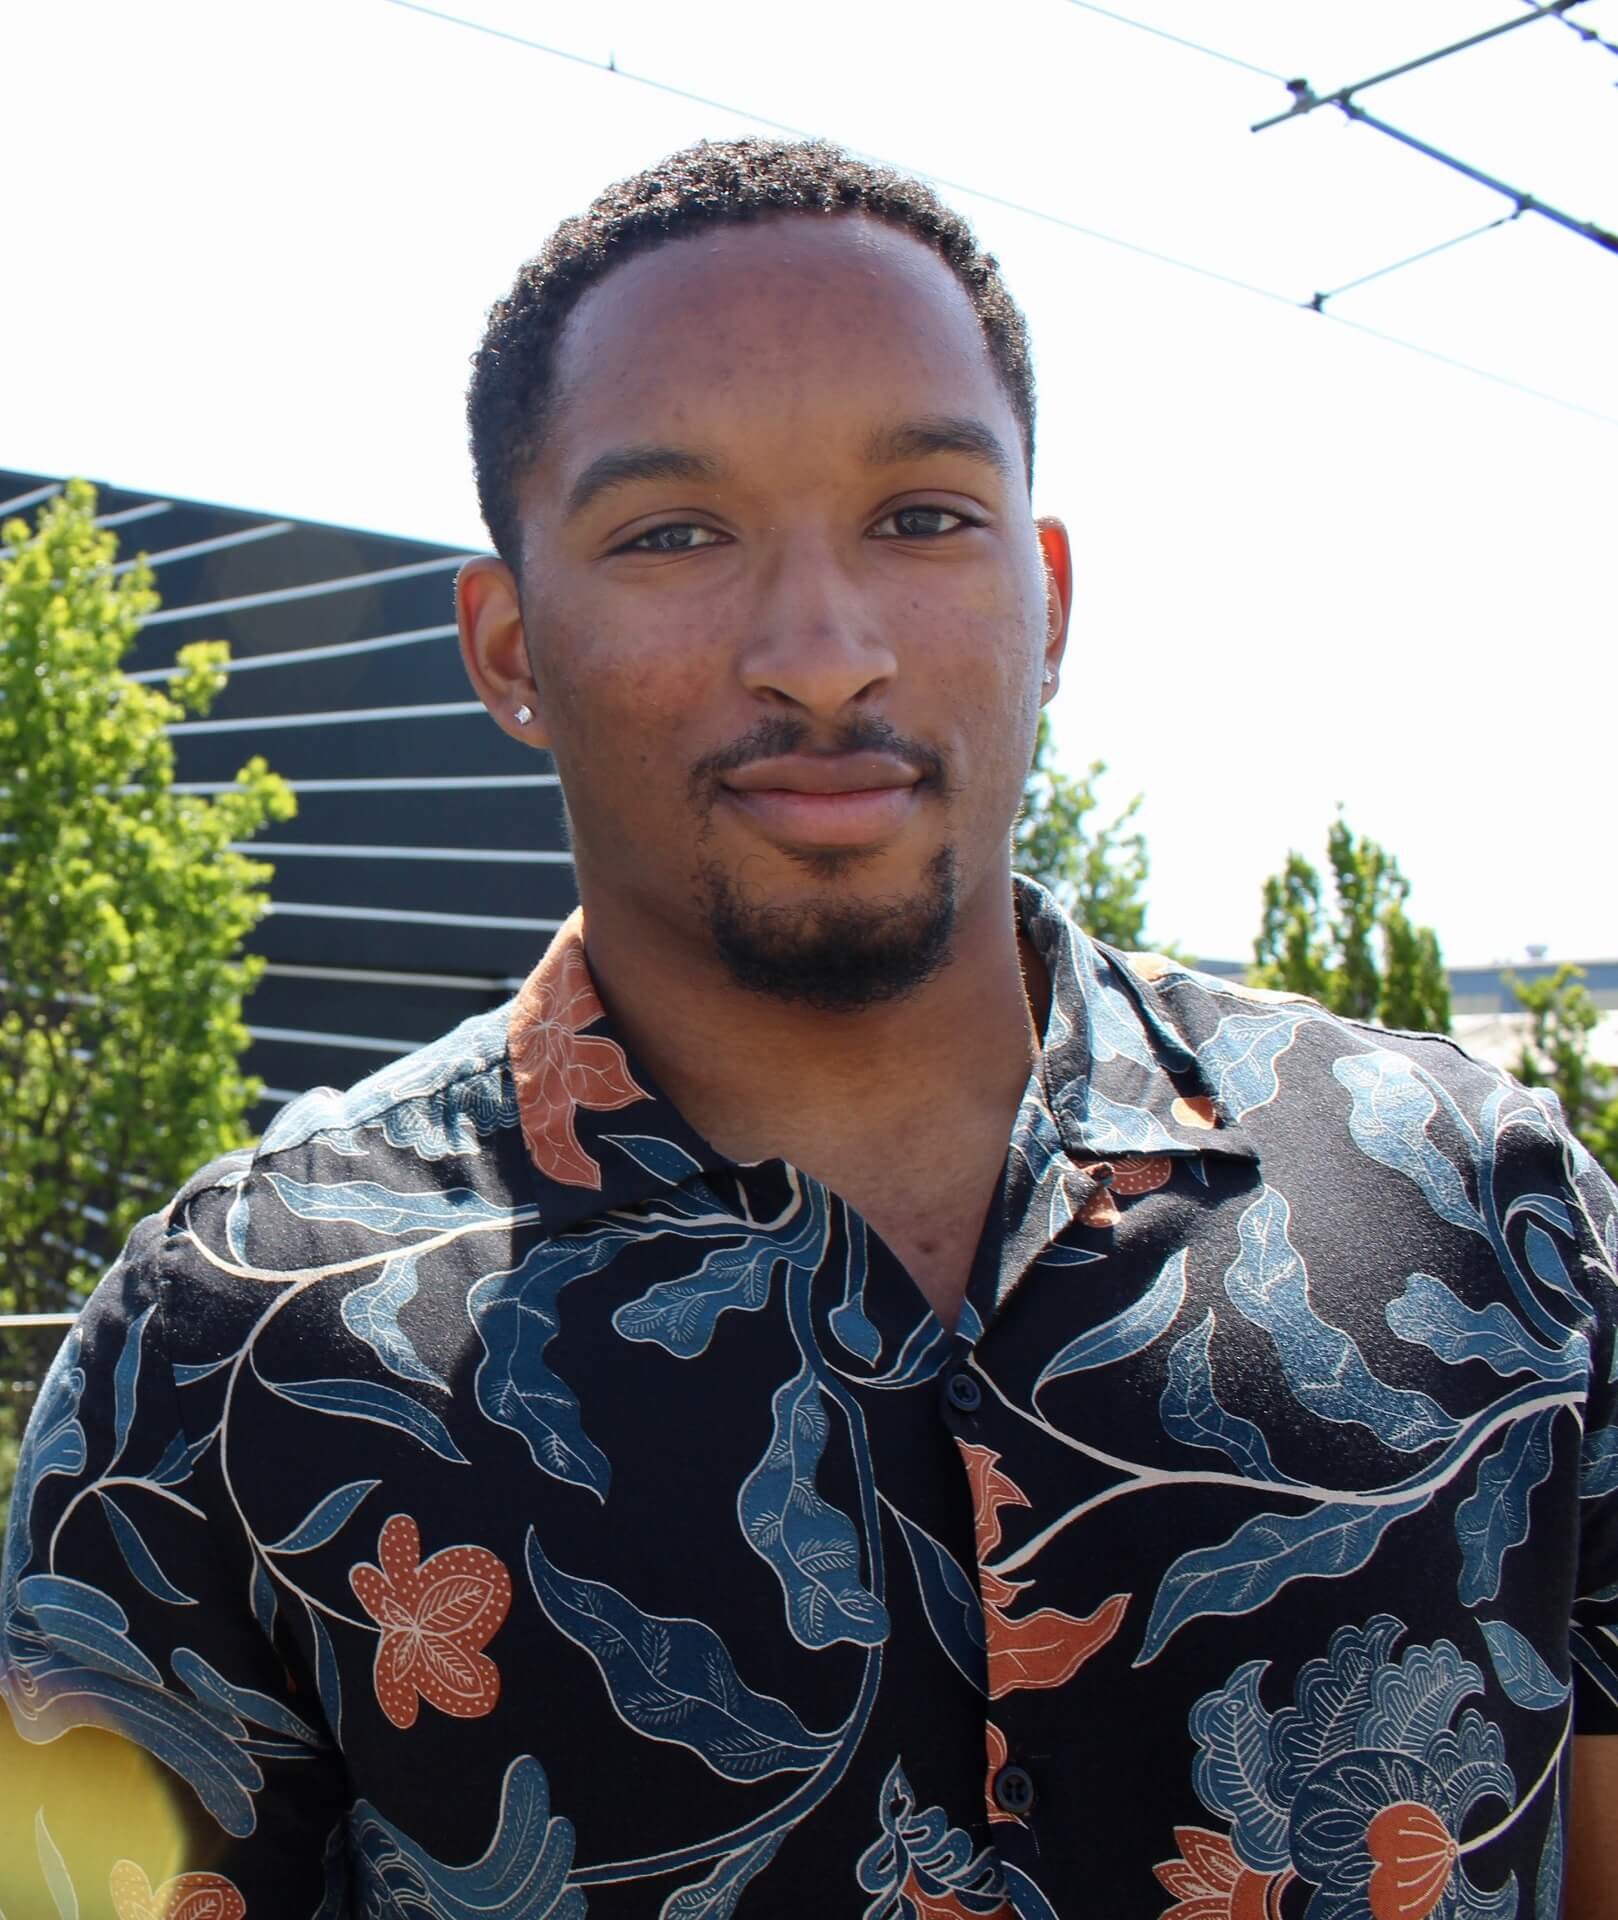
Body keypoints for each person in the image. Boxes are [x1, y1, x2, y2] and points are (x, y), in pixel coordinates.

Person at [3, 137, 1614, 1920]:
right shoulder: (225, 1346)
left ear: (1048, 600)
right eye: (671, 534)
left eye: (921, 516)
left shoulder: (1488, 1209)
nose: (824, 649)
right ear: (508, 645)